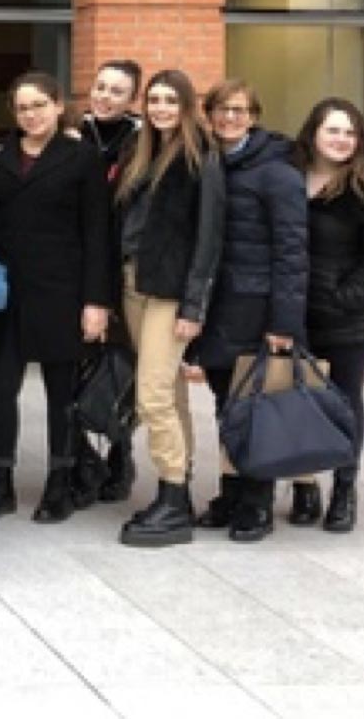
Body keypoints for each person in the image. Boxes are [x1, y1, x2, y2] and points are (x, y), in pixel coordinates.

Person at [0, 71, 111, 524]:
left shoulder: (82, 158)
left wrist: (96, 302)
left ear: (57, 106)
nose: (30, 115)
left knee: (61, 394)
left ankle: (59, 482)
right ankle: (1, 482)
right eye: (22, 107)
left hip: (63, 292)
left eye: (38, 105)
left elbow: (97, 234)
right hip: (6, 294)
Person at [113, 70, 225, 548]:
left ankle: (174, 497)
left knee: (152, 395)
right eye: (153, 100)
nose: (160, 108)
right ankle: (175, 482)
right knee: (170, 391)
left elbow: (209, 239)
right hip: (133, 284)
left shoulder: (201, 158)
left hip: (171, 293)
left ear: (185, 105)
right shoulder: (140, 152)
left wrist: (195, 305)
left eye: (169, 100)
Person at [193, 79, 308, 543]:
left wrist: (284, 322)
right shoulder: (208, 163)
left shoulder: (276, 172)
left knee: (257, 409)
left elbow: (293, 252)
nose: (229, 118)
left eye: (239, 110)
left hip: (258, 311)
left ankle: (256, 503)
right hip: (220, 308)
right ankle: (231, 493)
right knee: (228, 409)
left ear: (254, 116)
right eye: (221, 110)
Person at [291, 97, 364, 534]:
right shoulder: (290, 181)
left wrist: (341, 300)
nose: (341, 139)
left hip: (347, 318)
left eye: (350, 132)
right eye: (333, 130)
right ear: (313, 133)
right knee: (296, 399)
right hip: (293, 312)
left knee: (344, 403)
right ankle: (304, 487)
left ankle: (343, 488)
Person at [78, 58, 145, 502]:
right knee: (75, 367)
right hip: (75, 266)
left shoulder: (142, 143)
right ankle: (82, 461)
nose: (104, 96)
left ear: (132, 99)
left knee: (121, 367)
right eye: (100, 86)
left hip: (123, 270)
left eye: (116, 91)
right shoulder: (72, 135)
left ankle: (120, 451)